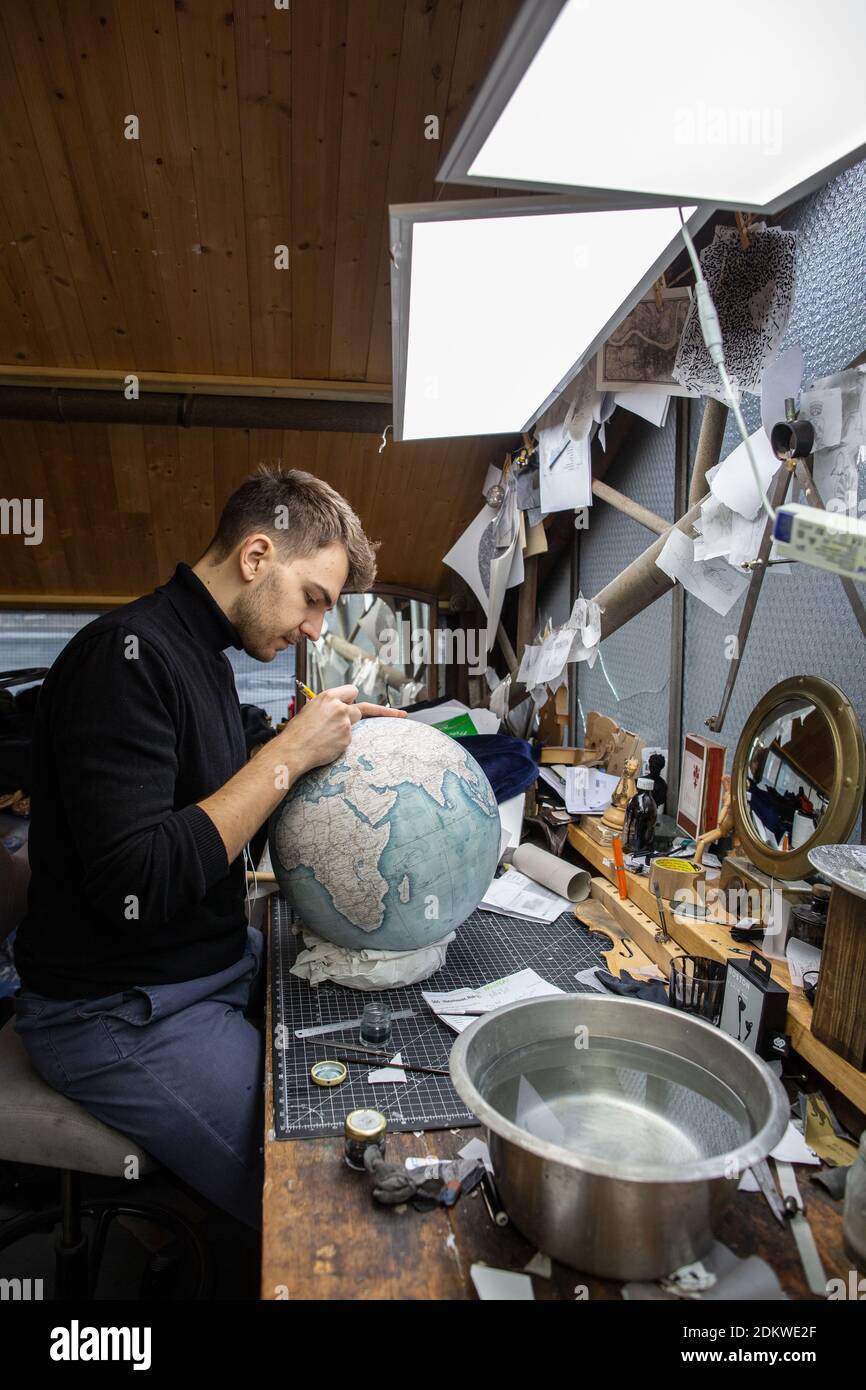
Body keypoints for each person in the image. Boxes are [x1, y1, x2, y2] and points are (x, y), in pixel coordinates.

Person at [12, 465, 406, 1229]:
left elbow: (231, 813)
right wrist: (286, 753)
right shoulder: (123, 659)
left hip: (206, 969)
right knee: (327, 1198)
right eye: (314, 600)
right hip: (119, 1010)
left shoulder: (206, 664)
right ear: (256, 557)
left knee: (371, 1033)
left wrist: (342, 754)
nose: (316, 628)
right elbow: (140, 881)